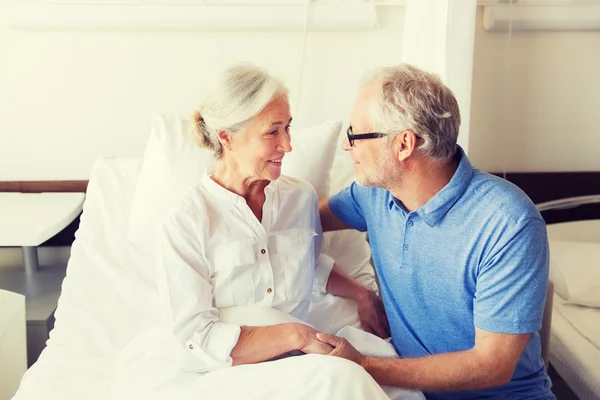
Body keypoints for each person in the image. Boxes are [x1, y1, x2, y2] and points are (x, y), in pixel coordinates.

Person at [317, 63, 555, 399]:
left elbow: (493, 365)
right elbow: (302, 219)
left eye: (356, 134)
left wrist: (363, 364)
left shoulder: (507, 223)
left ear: (403, 145)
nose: (346, 145)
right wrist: (356, 290)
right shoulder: (374, 193)